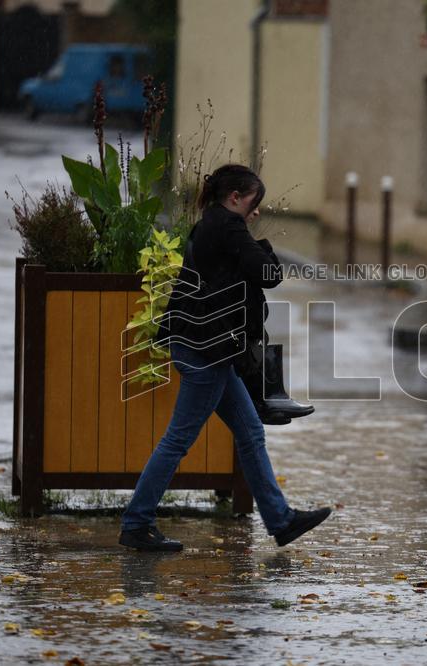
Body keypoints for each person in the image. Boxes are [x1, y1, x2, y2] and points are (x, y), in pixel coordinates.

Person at [119, 164, 331, 552]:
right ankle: (136, 522)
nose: (257, 211)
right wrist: (260, 243)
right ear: (235, 198)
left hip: (201, 345)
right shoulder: (229, 228)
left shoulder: (208, 225)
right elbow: (269, 273)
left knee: (250, 433)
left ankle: (280, 519)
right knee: (178, 440)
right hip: (207, 352)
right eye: (254, 203)